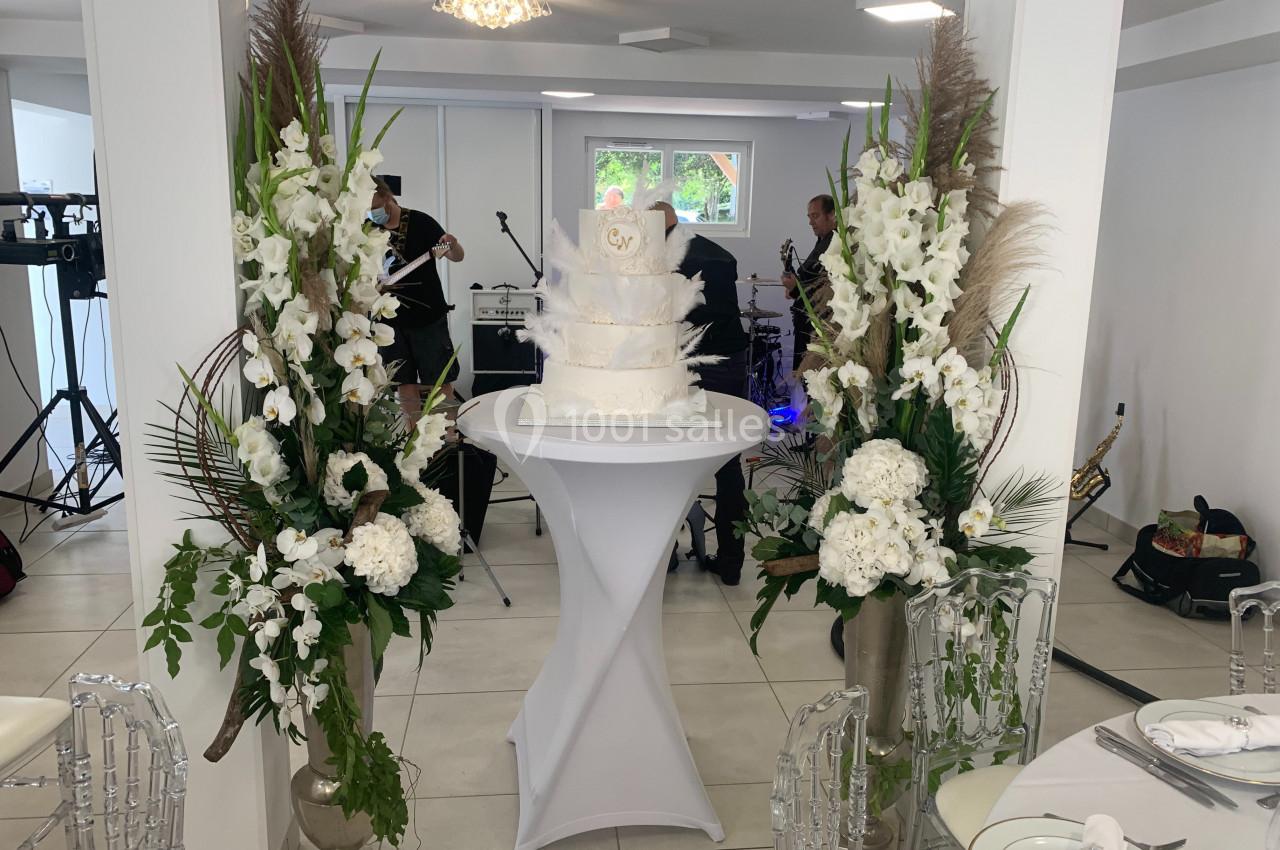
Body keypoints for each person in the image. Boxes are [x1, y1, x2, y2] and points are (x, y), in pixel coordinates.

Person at [652, 201, 751, 586]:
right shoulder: (718, 253)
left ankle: (669, 555)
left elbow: (703, 314)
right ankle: (731, 562)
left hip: (696, 365)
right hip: (728, 363)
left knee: (672, 457)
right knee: (728, 467)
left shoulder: (666, 258)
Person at [370, 177, 464, 422]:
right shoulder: (368, 229)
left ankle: (447, 436)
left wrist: (452, 245)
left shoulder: (420, 222)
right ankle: (414, 441)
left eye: (374, 207)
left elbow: (457, 256)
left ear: (386, 196)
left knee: (439, 379)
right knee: (403, 381)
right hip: (390, 321)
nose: (372, 213)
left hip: (427, 316)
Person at [782, 194, 837, 371]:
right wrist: (793, 289)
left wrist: (796, 289)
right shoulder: (822, 241)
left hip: (819, 328)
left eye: (815, 216)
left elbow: (826, 289)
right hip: (806, 323)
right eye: (809, 217)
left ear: (832, 215)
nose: (810, 222)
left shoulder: (834, 243)